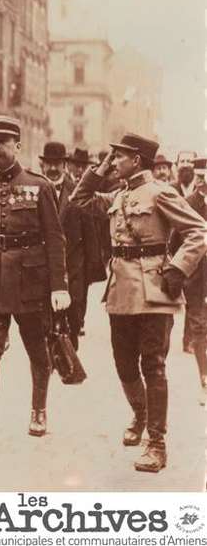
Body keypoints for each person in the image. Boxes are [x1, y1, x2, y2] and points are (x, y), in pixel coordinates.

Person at [71, 134, 207, 472]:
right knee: (124, 364)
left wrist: (178, 268)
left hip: (154, 290)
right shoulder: (119, 193)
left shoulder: (161, 192)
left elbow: (198, 231)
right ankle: (141, 414)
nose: (114, 162)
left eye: (119, 157)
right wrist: (99, 170)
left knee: (153, 365)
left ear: (137, 160)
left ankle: (157, 443)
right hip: (121, 292)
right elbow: (78, 200)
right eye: (112, 157)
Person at [0, 116, 70, 446]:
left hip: (30, 279)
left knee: (37, 347)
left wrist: (59, 286)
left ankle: (38, 410)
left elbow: (54, 238)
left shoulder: (39, 186)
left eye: (3, 141)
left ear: (17, 146)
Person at [39, 142, 104, 349]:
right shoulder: (34, 191)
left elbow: (90, 231)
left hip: (74, 264)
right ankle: (50, 356)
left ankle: (70, 353)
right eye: (49, 163)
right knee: (44, 315)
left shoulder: (77, 192)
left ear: (64, 165)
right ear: (42, 165)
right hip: (44, 264)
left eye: (57, 163)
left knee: (75, 315)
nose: (53, 168)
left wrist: (92, 269)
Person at [176, 157, 207, 406]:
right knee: (199, 324)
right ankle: (204, 375)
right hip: (197, 276)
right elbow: (176, 242)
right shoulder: (188, 204)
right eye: (202, 179)